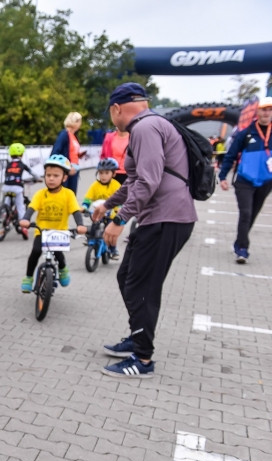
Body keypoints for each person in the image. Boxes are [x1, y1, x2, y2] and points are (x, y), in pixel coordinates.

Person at [92, 82, 197, 378]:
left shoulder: (145, 128)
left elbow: (148, 181)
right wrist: (107, 204)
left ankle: (143, 358)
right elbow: (135, 180)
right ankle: (137, 335)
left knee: (142, 286)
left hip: (167, 219)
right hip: (159, 218)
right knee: (127, 276)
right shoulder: (151, 125)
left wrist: (119, 220)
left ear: (116, 108)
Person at [18, 154, 87, 292]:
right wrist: (26, 219)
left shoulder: (68, 194)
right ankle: (28, 277)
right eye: (48, 175)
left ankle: (63, 269)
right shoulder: (40, 194)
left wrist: (80, 225)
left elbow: (75, 211)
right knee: (36, 252)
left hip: (59, 232)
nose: (51, 178)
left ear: (64, 178)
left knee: (58, 254)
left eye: (56, 176)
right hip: (42, 231)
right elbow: (31, 208)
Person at [218, 95, 272, 264]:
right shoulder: (246, 133)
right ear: (258, 112)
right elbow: (231, 155)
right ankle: (242, 249)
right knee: (246, 213)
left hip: (266, 180)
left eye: (270, 110)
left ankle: (239, 241)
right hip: (244, 180)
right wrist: (222, 176)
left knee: (253, 214)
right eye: (264, 110)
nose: (267, 113)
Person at [81, 157, 123, 259]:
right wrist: (84, 207)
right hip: (98, 212)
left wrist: (117, 210)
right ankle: (91, 239)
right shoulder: (95, 186)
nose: (103, 176)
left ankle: (113, 249)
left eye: (107, 173)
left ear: (113, 174)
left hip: (111, 213)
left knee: (110, 231)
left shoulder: (116, 185)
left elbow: (120, 200)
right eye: (101, 173)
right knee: (94, 225)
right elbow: (88, 198)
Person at [2, 142, 36, 239]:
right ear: (21, 154)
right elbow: (32, 173)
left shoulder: (8, 164)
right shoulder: (22, 164)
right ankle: (24, 227)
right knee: (21, 207)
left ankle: (4, 214)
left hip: (6, 187)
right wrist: (38, 178)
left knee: (7, 202)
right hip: (17, 188)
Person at [51, 111, 84, 196]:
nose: (80, 124)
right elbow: (56, 152)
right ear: (75, 122)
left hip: (74, 167)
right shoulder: (64, 134)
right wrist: (66, 167)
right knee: (65, 194)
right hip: (67, 168)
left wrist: (79, 155)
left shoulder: (74, 135)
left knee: (71, 195)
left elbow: (71, 151)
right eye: (79, 121)